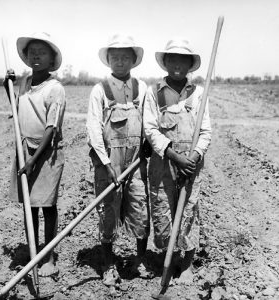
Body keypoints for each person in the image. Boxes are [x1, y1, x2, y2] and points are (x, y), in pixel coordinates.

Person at [86, 34, 153, 286]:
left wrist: (146, 147)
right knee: (108, 213)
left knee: (140, 207)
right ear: (108, 60)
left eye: (125, 57)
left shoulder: (142, 88)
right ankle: (108, 264)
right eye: (115, 57)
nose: (120, 61)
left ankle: (140, 260)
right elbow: (93, 129)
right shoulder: (99, 90)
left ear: (134, 60)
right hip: (108, 164)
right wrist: (106, 163)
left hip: (136, 162)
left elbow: (149, 122)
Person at [143, 38, 212, 283]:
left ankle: (187, 264)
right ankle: (167, 262)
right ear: (165, 62)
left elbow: (205, 132)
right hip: (163, 162)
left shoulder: (199, 94)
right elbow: (150, 130)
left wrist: (191, 159)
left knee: (188, 211)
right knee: (163, 212)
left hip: (191, 166)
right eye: (172, 59)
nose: (177, 64)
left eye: (183, 59)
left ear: (190, 64)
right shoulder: (154, 93)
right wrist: (174, 156)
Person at [3, 32, 66, 277]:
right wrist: (6, 85)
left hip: (46, 153)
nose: (36, 56)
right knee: (30, 206)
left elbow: (51, 129)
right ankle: (33, 252)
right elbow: (17, 107)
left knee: (47, 205)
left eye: (42, 52)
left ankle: (49, 256)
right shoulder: (25, 83)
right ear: (27, 58)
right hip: (24, 150)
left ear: (52, 60)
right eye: (32, 52)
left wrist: (33, 160)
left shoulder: (55, 89)